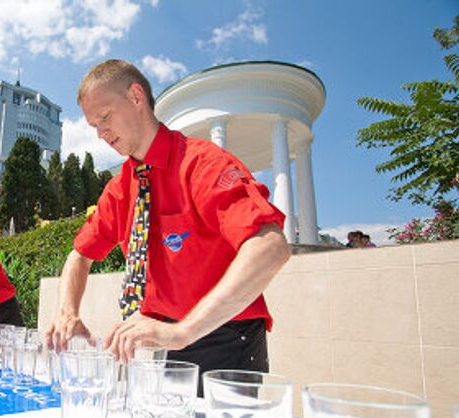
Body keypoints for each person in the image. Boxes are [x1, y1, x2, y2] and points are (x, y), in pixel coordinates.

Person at [46, 59, 291, 379]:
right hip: (170, 339)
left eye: (105, 118)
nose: (101, 134)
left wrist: (184, 331)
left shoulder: (202, 163)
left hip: (227, 337)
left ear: (136, 97)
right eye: (95, 126)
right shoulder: (120, 188)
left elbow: (271, 248)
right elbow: (79, 256)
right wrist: (68, 313)